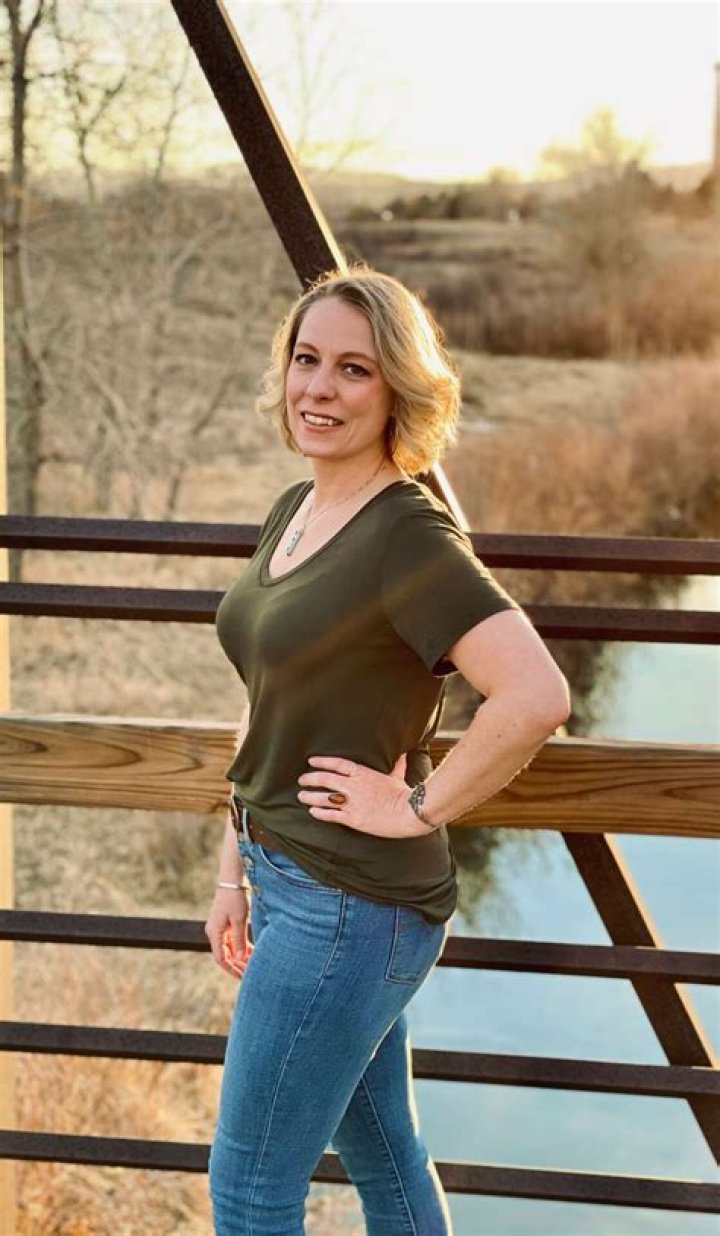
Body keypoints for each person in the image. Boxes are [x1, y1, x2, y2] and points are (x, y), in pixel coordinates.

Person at [206, 266, 571, 1235]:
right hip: (292, 883)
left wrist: (416, 808)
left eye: (353, 369)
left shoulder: (406, 534)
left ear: (398, 390)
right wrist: (232, 870)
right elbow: (266, 702)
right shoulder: (295, 509)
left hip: (348, 907)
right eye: (307, 360)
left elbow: (536, 695)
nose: (319, 388)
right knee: (385, 1155)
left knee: (249, 1193)